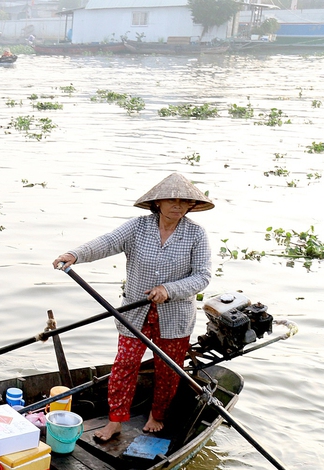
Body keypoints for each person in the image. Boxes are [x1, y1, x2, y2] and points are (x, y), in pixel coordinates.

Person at [52, 173, 213, 443]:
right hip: (135, 312)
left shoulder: (196, 234)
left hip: (175, 316)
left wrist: (168, 290)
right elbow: (106, 243)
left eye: (183, 202)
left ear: (190, 206)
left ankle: (157, 415)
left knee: (168, 368)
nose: (177, 206)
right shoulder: (138, 228)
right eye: (171, 200)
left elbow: (203, 276)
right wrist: (75, 254)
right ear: (157, 203)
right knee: (125, 364)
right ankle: (115, 421)